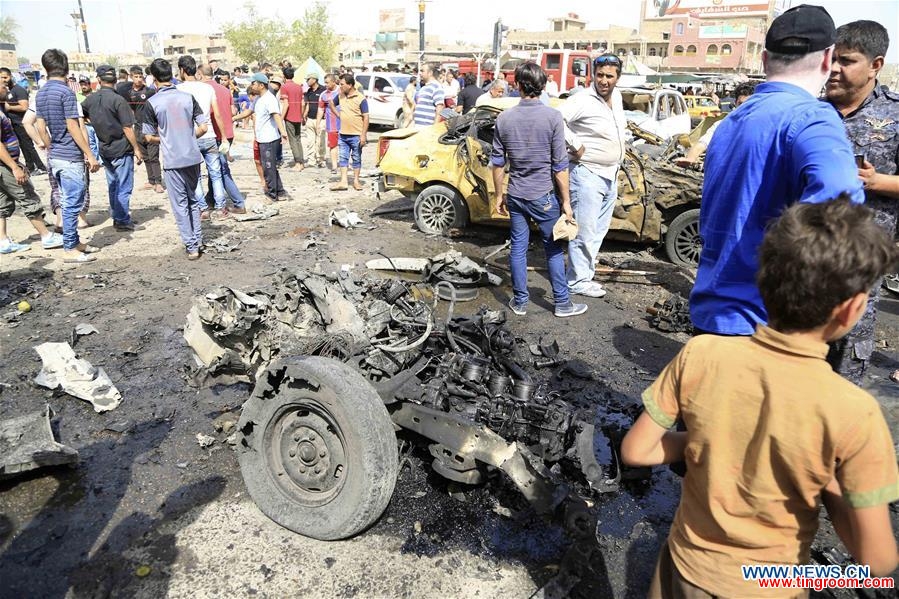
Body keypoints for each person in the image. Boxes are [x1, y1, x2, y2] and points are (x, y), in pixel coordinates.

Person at [622, 198, 899, 597]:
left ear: (764, 282)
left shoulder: (701, 354)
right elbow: (877, 562)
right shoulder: (855, 413)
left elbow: (636, 450)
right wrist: (830, 488)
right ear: (853, 308)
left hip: (682, 571)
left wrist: (708, 440)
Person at [690, 5, 865, 336]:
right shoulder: (812, 119)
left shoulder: (731, 122)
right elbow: (842, 208)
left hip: (712, 316)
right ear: (828, 59)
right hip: (765, 327)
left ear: (766, 60)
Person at [823, 20, 899, 384]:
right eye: (831, 59)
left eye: (846, 60)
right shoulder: (814, 112)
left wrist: (878, 181)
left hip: (864, 258)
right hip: (810, 251)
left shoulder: (895, 115)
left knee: (848, 353)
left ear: (875, 65)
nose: (834, 69)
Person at [492, 63, 585, 319]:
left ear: (518, 85)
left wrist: (499, 195)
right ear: (543, 86)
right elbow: (559, 166)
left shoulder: (503, 118)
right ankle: (563, 304)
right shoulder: (553, 117)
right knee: (553, 249)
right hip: (543, 196)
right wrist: (566, 202)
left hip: (517, 195)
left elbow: (498, 163)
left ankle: (520, 302)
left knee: (518, 248)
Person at [559, 54, 627, 299]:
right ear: (593, 76)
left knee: (599, 229)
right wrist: (575, 144)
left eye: (609, 76)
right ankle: (576, 280)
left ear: (618, 77)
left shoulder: (616, 98)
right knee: (585, 230)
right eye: (600, 75)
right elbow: (556, 120)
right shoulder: (583, 100)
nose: (604, 81)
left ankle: (584, 274)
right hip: (587, 172)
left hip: (610, 173)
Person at [34, 49, 101, 263]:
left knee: (66, 200)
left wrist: (48, 145)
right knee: (72, 203)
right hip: (70, 155)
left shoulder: (41, 93)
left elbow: (41, 126)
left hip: (55, 155)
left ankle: (74, 242)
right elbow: (73, 126)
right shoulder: (66, 93)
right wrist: (89, 154)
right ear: (66, 67)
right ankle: (70, 247)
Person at [142, 58, 208, 260]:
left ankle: (191, 246)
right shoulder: (188, 98)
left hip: (172, 161)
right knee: (193, 201)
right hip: (192, 157)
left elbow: (148, 137)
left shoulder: (151, 103)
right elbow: (203, 127)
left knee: (179, 205)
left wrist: (167, 139)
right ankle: (198, 240)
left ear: (154, 78)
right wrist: (187, 137)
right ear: (172, 74)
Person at [0, 87, 63, 253]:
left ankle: (3, 241)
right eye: (1, 83)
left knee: (2, 203)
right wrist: (14, 166)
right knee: (27, 196)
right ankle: (46, 236)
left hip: (5, 163)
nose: (5, 87)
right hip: (4, 165)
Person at [81, 64, 143, 231]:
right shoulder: (118, 100)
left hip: (104, 148)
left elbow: (81, 117)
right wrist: (137, 149)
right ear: (115, 80)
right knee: (123, 186)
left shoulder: (90, 100)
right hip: (121, 148)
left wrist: (94, 123)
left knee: (113, 185)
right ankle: (122, 219)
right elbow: (127, 128)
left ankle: (118, 216)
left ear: (99, 80)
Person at [177, 55, 228, 220]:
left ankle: (203, 209)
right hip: (210, 134)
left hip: (191, 137)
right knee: (216, 173)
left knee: (196, 176)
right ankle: (221, 207)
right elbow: (217, 115)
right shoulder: (207, 88)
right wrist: (225, 137)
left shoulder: (178, 90)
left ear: (182, 70)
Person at [198, 64, 245, 214]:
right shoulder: (225, 90)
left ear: (199, 74)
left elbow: (210, 115)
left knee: (222, 171)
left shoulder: (204, 91)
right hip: (228, 134)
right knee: (216, 170)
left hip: (216, 135)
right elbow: (232, 111)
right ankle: (210, 199)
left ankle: (239, 203)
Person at [675, 82, 756, 167]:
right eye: (741, 104)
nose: (745, 108)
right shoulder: (723, 124)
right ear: (735, 103)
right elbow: (703, 143)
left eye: (749, 104)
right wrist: (691, 158)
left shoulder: (764, 127)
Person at [235, 73, 288, 201]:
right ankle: (280, 192)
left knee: (268, 167)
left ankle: (272, 194)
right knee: (270, 166)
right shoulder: (258, 98)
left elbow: (276, 116)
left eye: (253, 83)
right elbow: (249, 111)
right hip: (261, 138)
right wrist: (233, 118)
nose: (251, 86)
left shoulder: (269, 99)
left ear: (261, 85)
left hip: (269, 139)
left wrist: (283, 133)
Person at [121, 65, 162, 193]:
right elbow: (129, 110)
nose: (138, 79)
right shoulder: (129, 93)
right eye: (136, 76)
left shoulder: (150, 92)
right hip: (138, 127)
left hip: (151, 126)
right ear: (131, 77)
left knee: (154, 155)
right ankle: (151, 180)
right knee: (145, 156)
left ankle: (158, 182)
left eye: (140, 76)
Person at [1, 67, 47, 176]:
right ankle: (30, 167)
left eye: (5, 77)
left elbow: (24, 107)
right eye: (1, 78)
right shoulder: (6, 91)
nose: (4, 80)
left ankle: (41, 166)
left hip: (22, 123)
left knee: (28, 146)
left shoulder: (19, 90)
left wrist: (9, 107)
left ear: (10, 76)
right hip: (12, 125)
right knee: (22, 147)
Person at [329, 73, 368, 192]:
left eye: (342, 84)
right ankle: (343, 181)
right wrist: (338, 114)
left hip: (356, 135)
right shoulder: (340, 96)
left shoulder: (361, 98)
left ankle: (356, 181)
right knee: (343, 158)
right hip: (343, 134)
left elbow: (366, 117)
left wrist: (363, 135)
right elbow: (331, 104)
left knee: (356, 158)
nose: (340, 86)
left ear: (350, 85)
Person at [279, 67, 305, 169]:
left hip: (289, 117)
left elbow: (286, 104)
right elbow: (302, 103)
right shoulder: (299, 87)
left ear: (284, 76)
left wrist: (281, 118)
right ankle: (302, 162)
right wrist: (302, 115)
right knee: (298, 139)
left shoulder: (284, 87)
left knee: (292, 140)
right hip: (298, 116)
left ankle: (297, 163)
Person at [317, 74, 341, 172]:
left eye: (327, 82)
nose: (325, 85)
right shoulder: (324, 95)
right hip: (331, 125)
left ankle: (345, 164)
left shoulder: (342, 91)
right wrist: (318, 124)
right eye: (325, 82)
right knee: (333, 146)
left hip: (345, 124)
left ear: (334, 81)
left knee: (345, 145)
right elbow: (320, 109)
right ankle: (334, 166)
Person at [302, 73, 325, 168]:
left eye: (308, 79)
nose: (307, 81)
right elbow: (307, 105)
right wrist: (304, 116)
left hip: (321, 120)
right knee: (310, 141)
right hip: (310, 120)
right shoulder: (308, 92)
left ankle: (320, 160)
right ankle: (311, 160)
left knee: (320, 141)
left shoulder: (323, 90)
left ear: (314, 80)